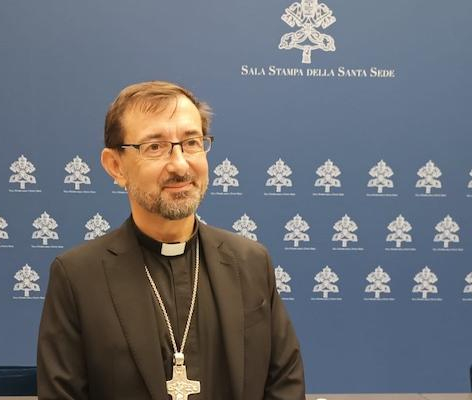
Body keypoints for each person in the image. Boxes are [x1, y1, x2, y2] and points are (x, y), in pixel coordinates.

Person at [37, 81, 306, 400]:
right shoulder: (78, 277)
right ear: (115, 166)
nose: (180, 165)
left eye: (192, 142)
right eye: (155, 147)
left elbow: (285, 386)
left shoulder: (250, 263)